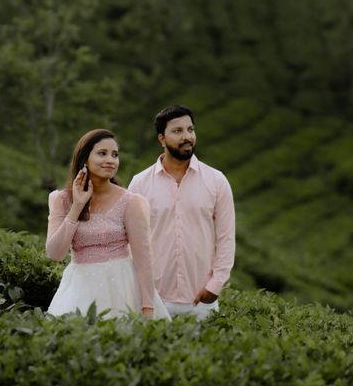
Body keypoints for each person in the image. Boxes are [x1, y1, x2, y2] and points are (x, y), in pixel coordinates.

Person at [46, 128, 170, 320]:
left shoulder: (131, 202)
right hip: (79, 287)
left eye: (115, 155)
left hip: (124, 288)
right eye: (102, 153)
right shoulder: (61, 199)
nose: (111, 160)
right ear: (84, 158)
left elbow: (143, 259)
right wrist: (77, 206)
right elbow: (55, 253)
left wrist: (148, 307)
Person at [128, 105, 235, 321]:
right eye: (177, 131)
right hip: (153, 297)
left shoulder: (217, 181)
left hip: (200, 299)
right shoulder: (140, 183)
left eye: (190, 130)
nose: (186, 136)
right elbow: (130, 241)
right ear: (161, 138)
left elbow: (226, 237)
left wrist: (216, 284)